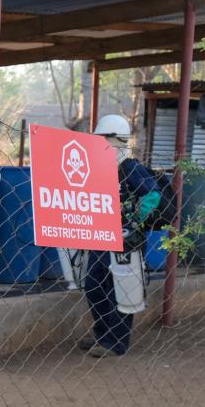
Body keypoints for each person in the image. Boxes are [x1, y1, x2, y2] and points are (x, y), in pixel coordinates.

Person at [78, 114, 163, 358]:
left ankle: (115, 343)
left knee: (120, 290)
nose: (100, 142)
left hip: (126, 240)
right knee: (94, 285)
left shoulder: (130, 168)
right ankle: (102, 334)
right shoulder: (102, 168)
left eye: (104, 138)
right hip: (101, 236)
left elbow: (153, 195)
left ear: (117, 140)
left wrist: (135, 220)